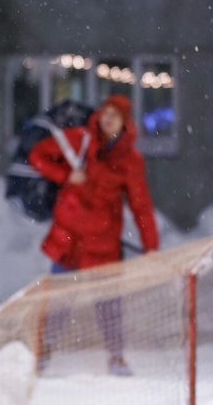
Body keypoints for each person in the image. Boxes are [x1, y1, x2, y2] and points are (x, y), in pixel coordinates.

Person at [28, 95, 159, 375]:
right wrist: (65, 175)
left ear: (125, 123)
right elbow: (37, 155)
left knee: (108, 302)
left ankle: (116, 356)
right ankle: (43, 354)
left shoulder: (130, 160)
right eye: (105, 112)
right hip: (69, 237)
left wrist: (151, 246)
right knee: (59, 301)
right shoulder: (79, 140)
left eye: (116, 115)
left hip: (103, 241)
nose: (108, 118)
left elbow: (141, 206)